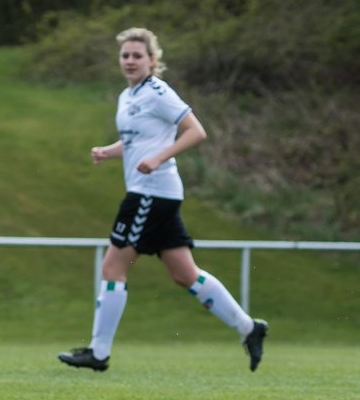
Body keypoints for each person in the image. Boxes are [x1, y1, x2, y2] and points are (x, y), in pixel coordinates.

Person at [59, 27, 269, 373]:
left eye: (136, 55)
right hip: (158, 193)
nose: (129, 61)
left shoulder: (158, 92)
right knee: (185, 274)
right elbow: (138, 140)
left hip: (150, 191)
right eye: (125, 55)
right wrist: (108, 152)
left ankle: (98, 353)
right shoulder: (128, 96)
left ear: (152, 60)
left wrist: (159, 158)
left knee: (113, 266)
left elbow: (196, 131)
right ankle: (249, 328)